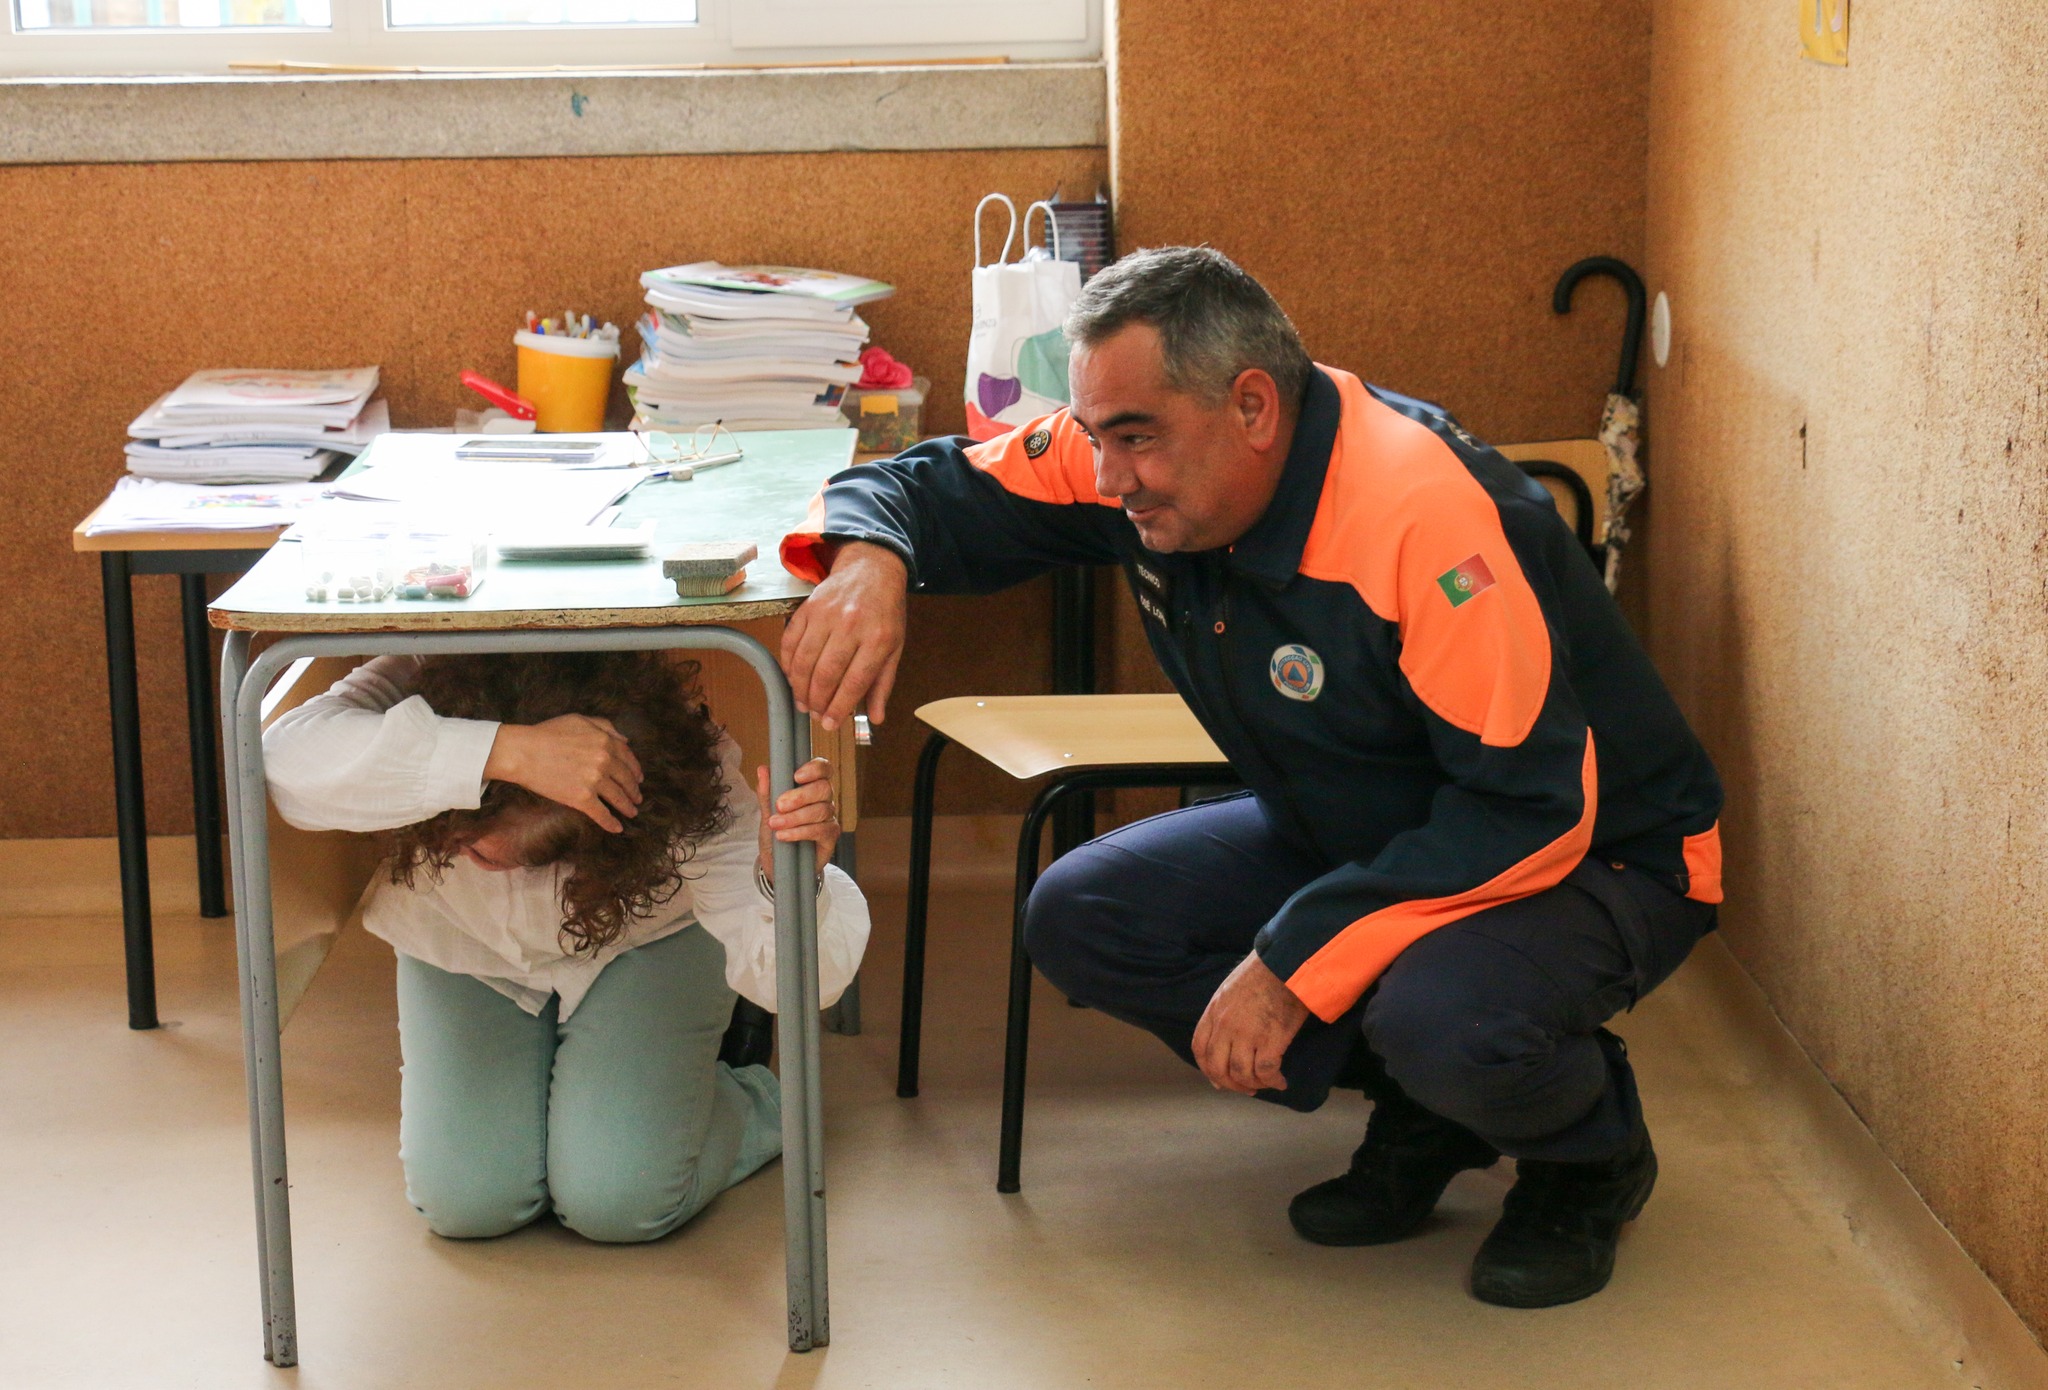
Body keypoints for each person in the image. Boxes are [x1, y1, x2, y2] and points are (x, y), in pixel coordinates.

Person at [775, 246, 1724, 1307]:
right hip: (1365, 831)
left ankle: (1586, 1153)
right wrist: (868, 560)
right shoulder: (1128, 449)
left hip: (1594, 856)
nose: (1103, 477)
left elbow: (1528, 808)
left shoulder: (1426, 516)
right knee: (1085, 912)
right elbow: (921, 483)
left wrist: (1288, 964)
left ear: (1254, 407)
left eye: (1132, 439)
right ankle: (1433, 1108)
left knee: (1440, 1015)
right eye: (1092, 437)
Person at [263, 650, 870, 1244]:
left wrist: (785, 879)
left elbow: (796, 984)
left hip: (644, 944)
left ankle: (750, 1096)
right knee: (467, 1203)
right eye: (464, 841)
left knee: (620, 1202)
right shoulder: (432, 670)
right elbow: (287, 758)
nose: (483, 859)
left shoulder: (681, 779)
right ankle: (594, 1096)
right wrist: (507, 750)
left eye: (515, 857)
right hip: (461, 945)